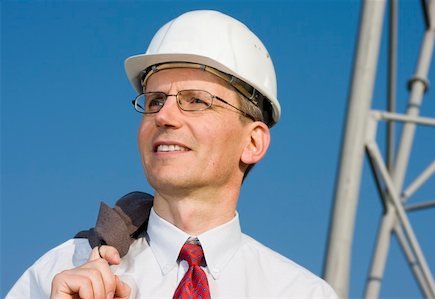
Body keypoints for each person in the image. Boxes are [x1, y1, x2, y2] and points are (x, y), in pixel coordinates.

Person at [7, 10, 338, 299]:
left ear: (253, 143)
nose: (164, 116)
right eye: (154, 101)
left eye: (195, 101)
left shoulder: (301, 293)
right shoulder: (60, 274)